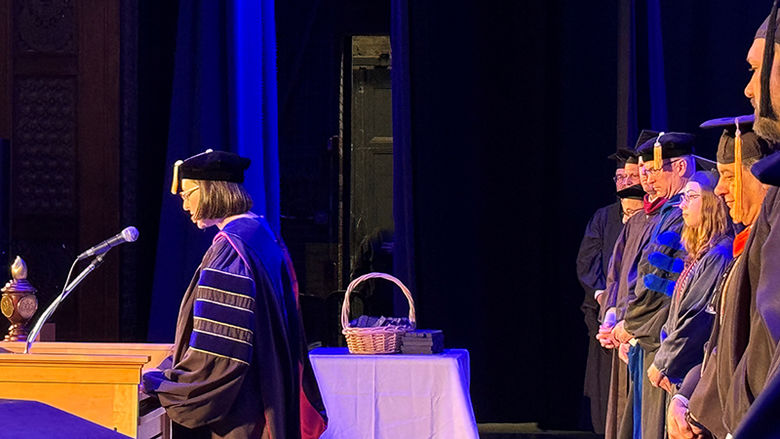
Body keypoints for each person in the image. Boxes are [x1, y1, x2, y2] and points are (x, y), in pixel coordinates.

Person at [141, 150, 327, 439]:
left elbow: (221, 350)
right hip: (270, 386)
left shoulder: (231, 249)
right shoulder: (260, 232)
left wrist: (171, 384)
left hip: (244, 405)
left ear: (210, 191)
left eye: (187, 194)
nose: (185, 205)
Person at [664, 116, 770, 439]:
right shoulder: (742, 253)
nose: (720, 187)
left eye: (728, 176)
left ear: (762, 177)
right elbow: (718, 345)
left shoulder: (766, 257)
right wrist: (685, 398)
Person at [614, 132, 695, 439]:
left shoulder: (679, 215)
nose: (648, 181)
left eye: (655, 171)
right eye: (645, 172)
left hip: (661, 339)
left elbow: (660, 286)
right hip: (647, 335)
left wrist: (630, 324)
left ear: (681, 168)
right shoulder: (664, 212)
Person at [648, 171, 732, 397]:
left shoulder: (719, 254)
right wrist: (664, 356)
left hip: (692, 373)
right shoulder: (698, 255)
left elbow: (695, 317)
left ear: (711, 203)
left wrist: (664, 361)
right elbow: (676, 314)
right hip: (677, 370)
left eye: (691, 197)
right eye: (682, 197)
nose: (681, 205)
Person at [596, 132, 656, 439]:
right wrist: (609, 317)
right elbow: (615, 274)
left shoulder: (664, 222)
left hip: (640, 334)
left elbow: (650, 284)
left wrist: (626, 324)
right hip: (623, 330)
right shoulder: (634, 222)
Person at [576, 150, 637, 433]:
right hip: (603, 314)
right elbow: (586, 262)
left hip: (632, 315)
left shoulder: (649, 219)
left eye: (630, 176)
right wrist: (602, 295)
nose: (624, 182)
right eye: (619, 176)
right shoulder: (604, 217)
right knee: (604, 391)